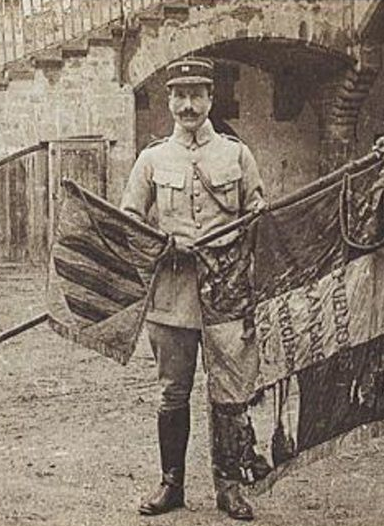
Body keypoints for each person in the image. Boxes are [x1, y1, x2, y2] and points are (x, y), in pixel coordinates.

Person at [119, 56, 267, 521]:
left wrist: (244, 231)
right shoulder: (152, 159)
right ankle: (172, 485)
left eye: (196, 95)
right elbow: (129, 221)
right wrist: (162, 246)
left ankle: (229, 488)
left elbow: (257, 212)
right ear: (169, 101)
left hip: (226, 297)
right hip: (172, 298)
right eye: (179, 96)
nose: (187, 105)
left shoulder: (236, 155)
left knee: (229, 392)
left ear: (210, 98)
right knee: (173, 393)